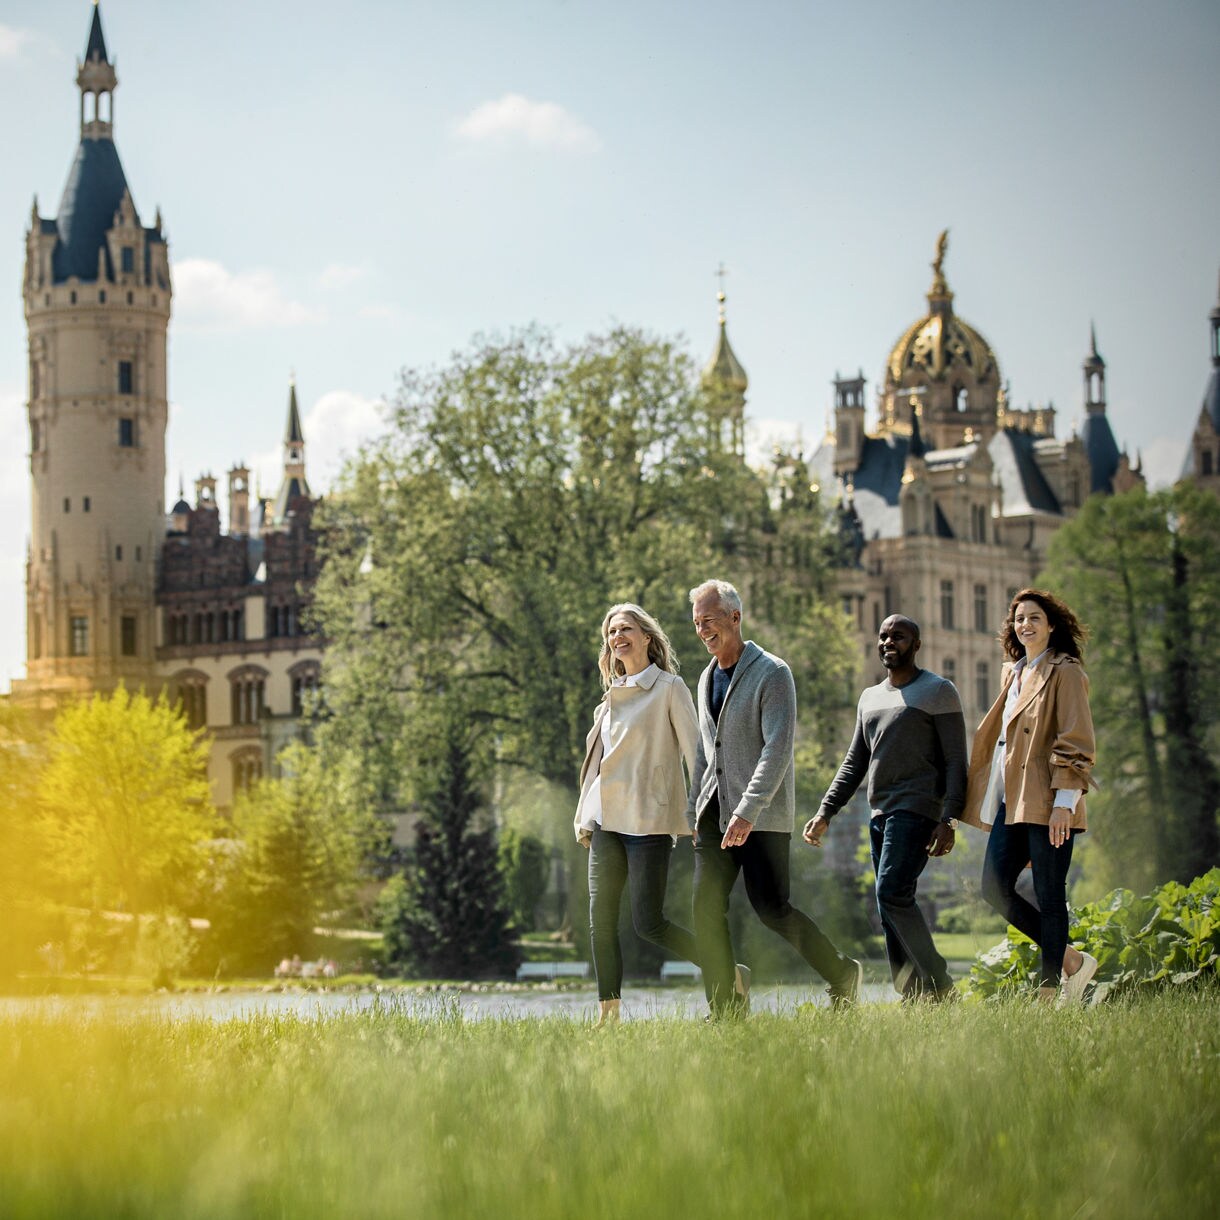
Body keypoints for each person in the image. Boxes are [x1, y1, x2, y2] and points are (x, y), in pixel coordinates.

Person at [687, 579, 861, 1017]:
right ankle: (726, 1006)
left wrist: (748, 810)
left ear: (735, 617)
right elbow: (704, 755)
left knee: (772, 909)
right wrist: (693, 810)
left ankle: (842, 973)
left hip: (759, 816)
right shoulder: (705, 678)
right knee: (704, 909)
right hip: (714, 813)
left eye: (709, 619)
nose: (703, 629)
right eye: (696, 623)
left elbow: (777, 749)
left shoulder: (773, 673)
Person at [804, 615, 966, 1001]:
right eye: (883, 636)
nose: (889, 642)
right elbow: (853, 763)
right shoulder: (870, 698)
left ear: (916, 644)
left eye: (899, 636)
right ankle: (912, 992)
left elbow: (957, 762)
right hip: (878, 811)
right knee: (888, 898)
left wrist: (950, 819)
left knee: (891, 891)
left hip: (918, 807)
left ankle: (940, 985)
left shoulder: (938, 691)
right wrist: (826, 811)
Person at [961, 588, 1099, 1005]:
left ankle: (1048, 988)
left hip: (1050, 800)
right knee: (993, 886)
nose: (1025, 625)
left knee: (1049, 892)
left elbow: (1075, 741)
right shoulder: (1014, 672)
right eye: (1019, 618)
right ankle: (1072, 961)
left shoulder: (1066, 672)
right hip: (1012, 801)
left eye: (1034, 617)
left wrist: (1063, 806)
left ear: (1052, 625)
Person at [574, 603, 702, 1026]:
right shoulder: (609, 698)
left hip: (649, 821)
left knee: (649, 923)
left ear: (647, 637)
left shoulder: (670, 688)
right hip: (607, 821)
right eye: (611, 632)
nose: (617, 637)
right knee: (600, 920)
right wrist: (586, 815)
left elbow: (695, 755)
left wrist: (699, 811)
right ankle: (607, 1015)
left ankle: (724, 967)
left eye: (626, 628)